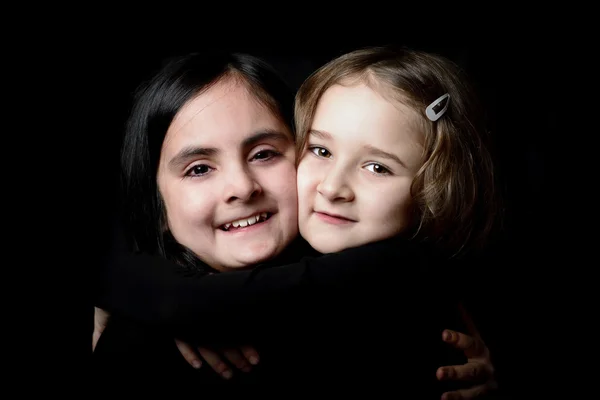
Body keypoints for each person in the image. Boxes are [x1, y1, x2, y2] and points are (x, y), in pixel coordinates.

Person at [93, 48, 498, 397]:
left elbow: (196, 306)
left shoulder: (399, 269)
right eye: (199, 169)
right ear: (155, 205)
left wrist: (132, 290)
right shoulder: (138, 345)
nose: (241, 187)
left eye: (264, 154)